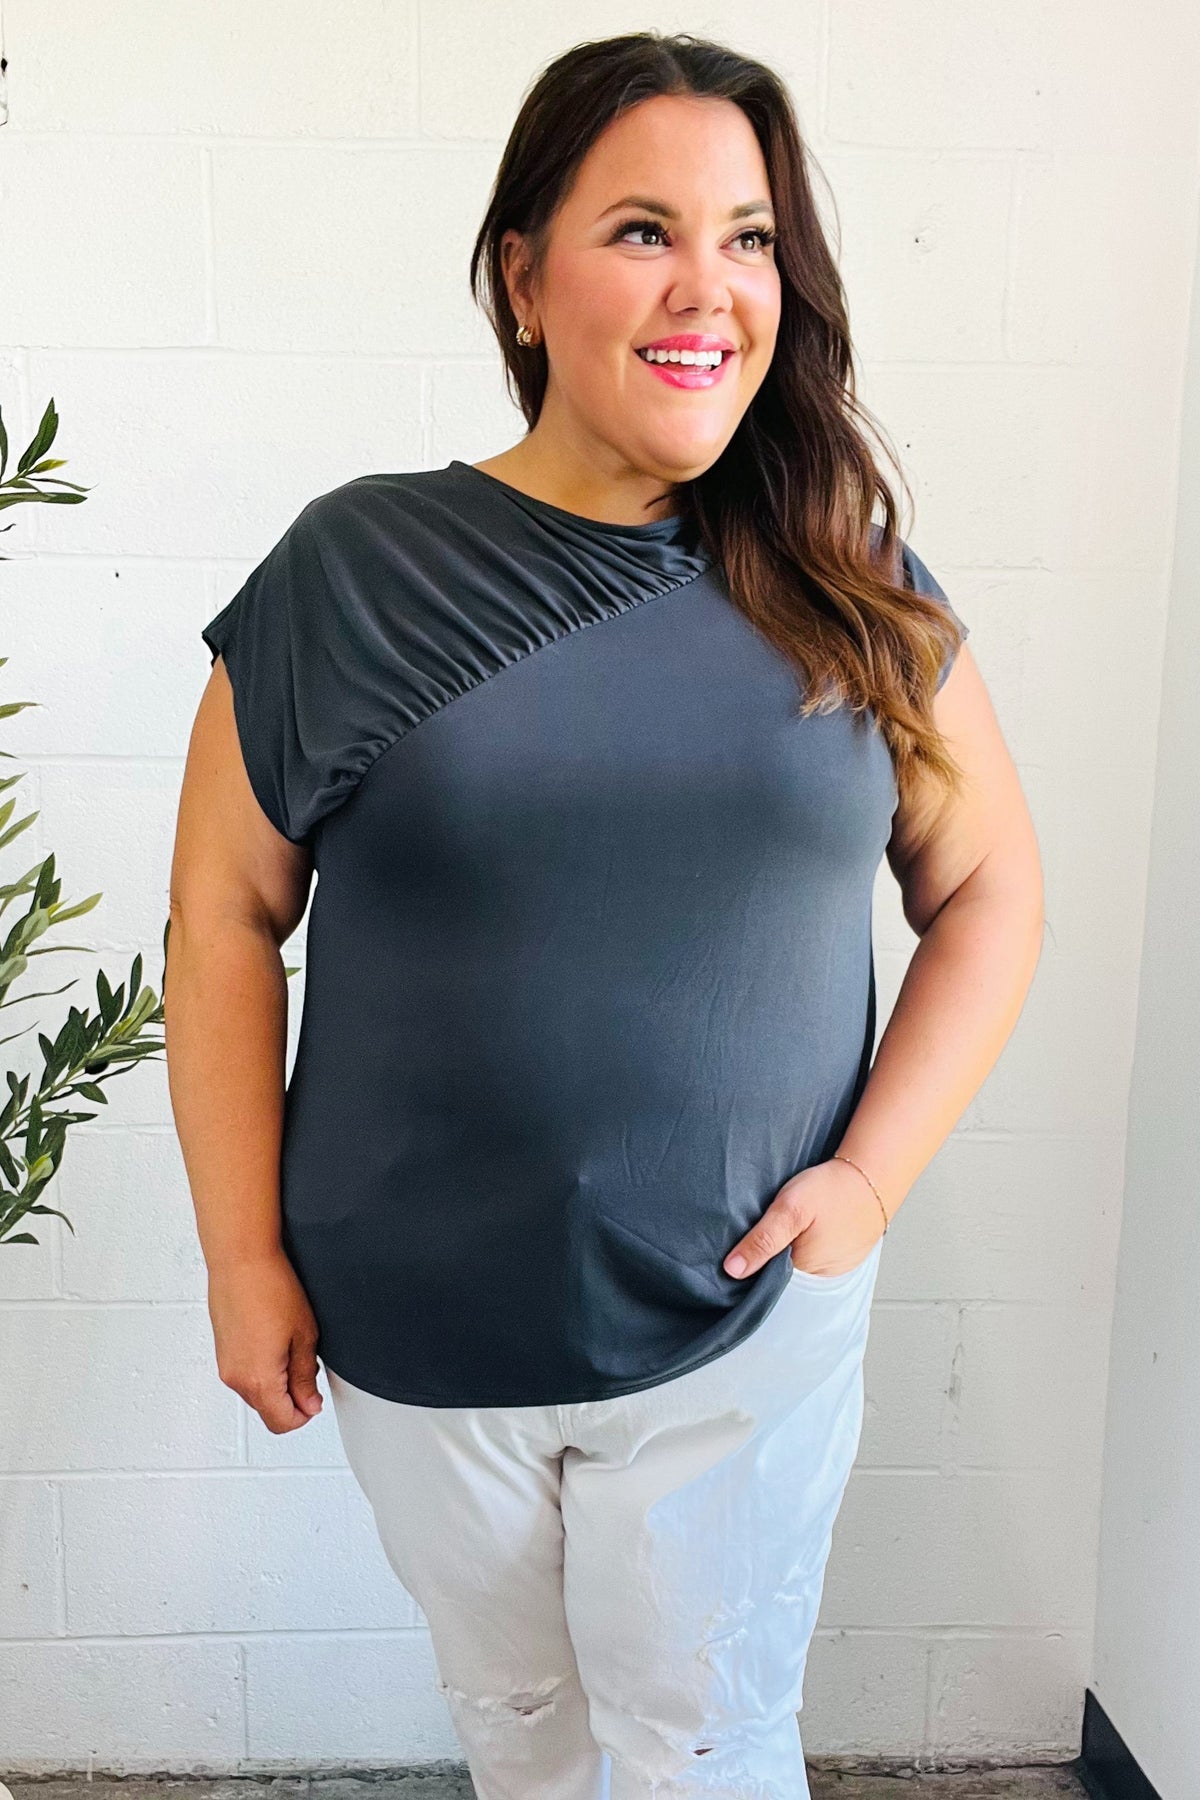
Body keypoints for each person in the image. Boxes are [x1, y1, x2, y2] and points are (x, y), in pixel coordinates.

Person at [165, 30, 1044, 1800]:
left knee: (707, 1751)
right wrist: (242, 1257)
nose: (708, 286)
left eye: (750, 237)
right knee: (521, 1736)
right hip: (415, 1321)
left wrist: (865, 1191)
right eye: (644, 230)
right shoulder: (352, 572)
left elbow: (990, 889)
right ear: (524, 275)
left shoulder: (850, 581)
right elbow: (220, 925)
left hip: (748, 1318)